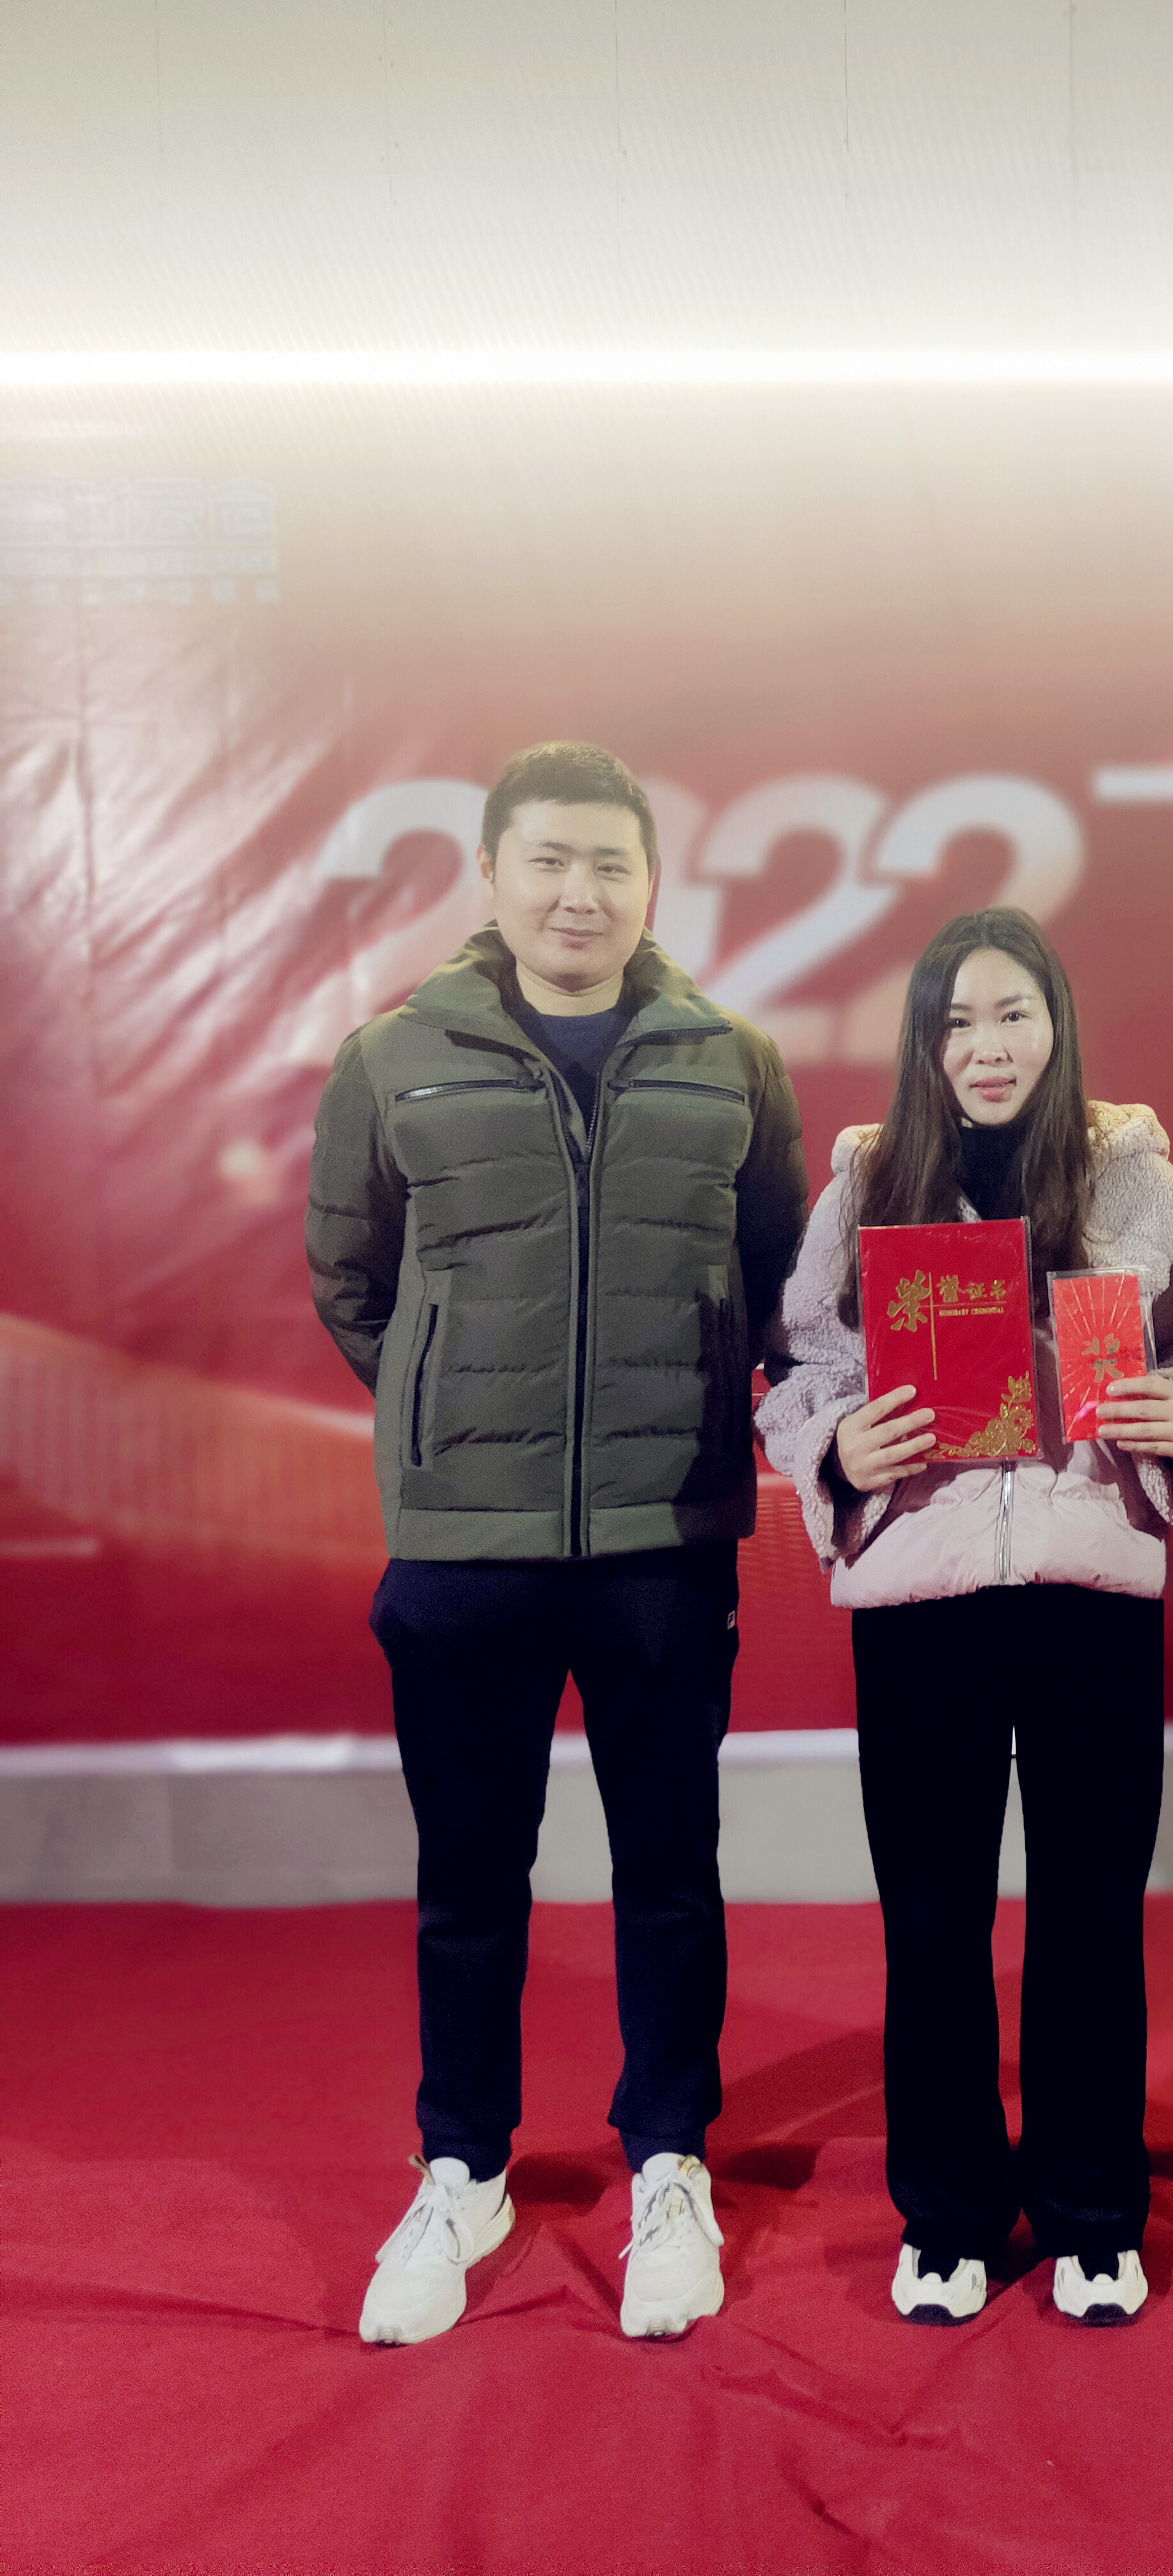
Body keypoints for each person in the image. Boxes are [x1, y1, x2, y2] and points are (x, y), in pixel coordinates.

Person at [306, 739, 807, 2346]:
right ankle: (461, 2164)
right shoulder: (394, 1057)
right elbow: (352, 1283)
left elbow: (778, 1279)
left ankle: (670, 2156)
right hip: (465, 1549)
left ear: (652, 882)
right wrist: (450, 1414)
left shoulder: (731, 1061)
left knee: (669, 1868)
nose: (579, 892)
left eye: (610, 862)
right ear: (493, 874)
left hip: (666, 1536)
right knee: (470, 1878)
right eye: (549, 860)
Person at [757, 906, 1173, 2327]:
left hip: (1092, 1594)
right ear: (923, 1041)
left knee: (1090, 1918)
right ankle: (950, 2211)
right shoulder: (867, 1184)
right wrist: (838, 1446)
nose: (986, 1046)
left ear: (1057, 1024)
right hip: (924, 1599)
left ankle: (1092, 2209)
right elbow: (797, 1369)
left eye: (1012, 1013)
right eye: (955, 1020)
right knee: (933, 1923)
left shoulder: (1137, 1178)